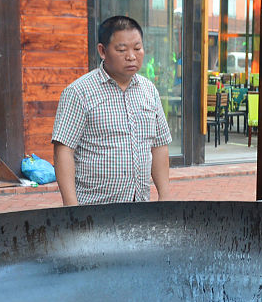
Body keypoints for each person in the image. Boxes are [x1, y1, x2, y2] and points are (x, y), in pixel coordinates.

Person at [52, 16, 172, 206]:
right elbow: (63, 150)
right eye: (122, 50)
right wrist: (71, 208)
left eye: (137, 48)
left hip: (140, 207)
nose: (131, 56)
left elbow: (159, 146)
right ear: (102, 51)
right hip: (94, 209)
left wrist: (164, 197)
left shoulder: (149, 91)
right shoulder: (79, 92)